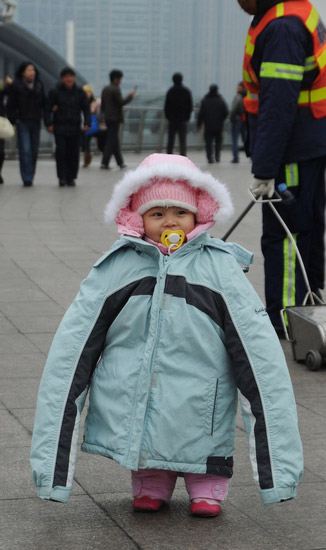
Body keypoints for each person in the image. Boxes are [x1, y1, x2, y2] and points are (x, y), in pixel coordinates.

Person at [30, 153, 303, 518]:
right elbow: (73, 350)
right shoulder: (118, 266)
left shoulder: (219, 268)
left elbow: (260, 360)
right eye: (157, 214)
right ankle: (150, 477)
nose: (169, 221)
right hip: (135, 407)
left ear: (197, 214)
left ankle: (204, 483)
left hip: (202, 404)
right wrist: (51, 470)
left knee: (201, 442)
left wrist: (280, 474)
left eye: (180, 212)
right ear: (137, 218)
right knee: (147, 444)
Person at [237, 0, 326, 336]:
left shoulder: (281, 28)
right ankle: (309, 301)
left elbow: (278, 104)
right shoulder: (294, 12)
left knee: (285, 236)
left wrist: (265, 167)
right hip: (310, 141)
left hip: (292, 148)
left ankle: (287, 319)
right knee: (307, 227)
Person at [45, 67, 91, 187]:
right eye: (66, 77)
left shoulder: (80, 92)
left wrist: (87, 123)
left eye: (71, 76)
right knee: (61, 153)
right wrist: (48, 123)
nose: (69, 79)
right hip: (59, 127)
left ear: (74, 78)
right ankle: (62, 177)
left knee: (73, 153)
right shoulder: (55, 91)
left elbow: (86, 109)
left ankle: (71, 177)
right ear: (62, 79)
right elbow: (47, 109)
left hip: (75, 127)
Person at [6, 62, 45, 187]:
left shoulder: (39, 85)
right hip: (22, 121)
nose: (31, 72)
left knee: (34, 151)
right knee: (25, 150)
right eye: (28, 70)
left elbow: (44, 102)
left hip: (36, 121)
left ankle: (30, 174)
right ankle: (26, 177)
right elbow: (10, 104)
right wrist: (14, 120)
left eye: (33, 70)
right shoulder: (16, 86)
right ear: (23, 72)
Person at [100, 69, 136, 170]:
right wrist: (131, 95)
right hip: (115, 118)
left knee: (114, 140)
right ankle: (104, 162)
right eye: (120, 79)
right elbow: (121, 102)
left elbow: (102, 106)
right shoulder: (115, 89)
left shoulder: (105, 89)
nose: (121, 81)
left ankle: (120, 162)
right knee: (111, 141)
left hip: (108, 117)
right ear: (116, 79)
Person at [197, 84, 229, 163]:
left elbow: (201, 114)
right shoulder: (221, 101)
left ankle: (209, 157)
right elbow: (226, 112)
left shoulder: (205, 100)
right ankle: (217, 156)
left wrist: (199, 124)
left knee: (208, 142)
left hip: (208, 125)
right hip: (218, 125)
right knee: (218, 141)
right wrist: (221, 119)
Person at [164, 73, 193, 156]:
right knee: (182, 140)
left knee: (170, 140)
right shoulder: (186, 91)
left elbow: (166, 107)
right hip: (182, 119)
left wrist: (168, 117)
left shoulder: (170, 91)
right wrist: (187, 117)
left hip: (172, 120)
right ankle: (183, 156)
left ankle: (169, 156)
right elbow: (190, 106)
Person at [81, 84, 100, 168]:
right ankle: (87, 157)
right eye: (85, 93)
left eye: (88, 93)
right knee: (84, 142)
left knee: (86, 141)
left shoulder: (94, 102)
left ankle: (87, 159)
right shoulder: (80, 101)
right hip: (83, 124)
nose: (87, 94)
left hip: (91, 125)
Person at [229, 81, 247, 163]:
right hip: (244, 120)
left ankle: (236, 157)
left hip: (236, 120)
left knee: (235, 140)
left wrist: (231, 117)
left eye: (238, 87)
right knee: (246, 139)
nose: (237, 88)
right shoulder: (247, 96)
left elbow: (234, 109)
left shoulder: (238, 97)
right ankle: (252, 156)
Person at [0, 76, 12, 184]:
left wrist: (9, 84)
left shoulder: (1, 85)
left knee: (0, 151)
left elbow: (9, 93)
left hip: (0, 122)